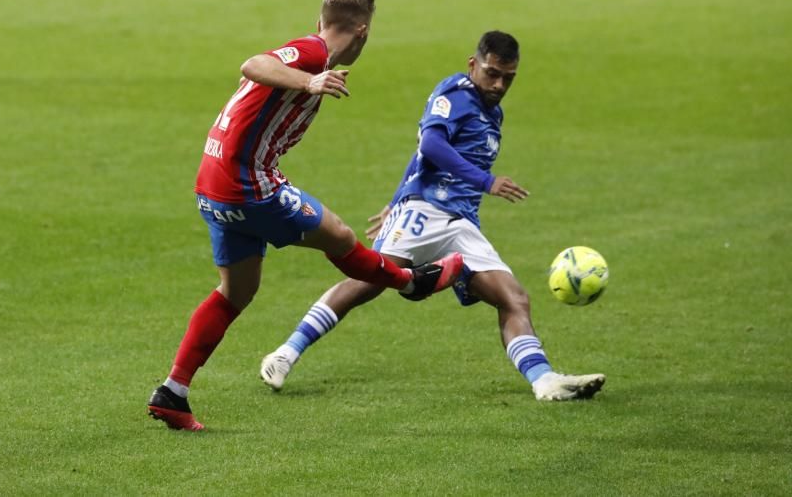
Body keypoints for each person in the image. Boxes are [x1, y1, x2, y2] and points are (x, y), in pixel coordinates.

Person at [148, 0, 464, 431]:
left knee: (236, 293)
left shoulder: (312, 52)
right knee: (338, 235)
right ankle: (410, 282)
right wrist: (309, 81)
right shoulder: (312, 54)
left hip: (214, 185)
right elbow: (252, 64)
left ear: (321, 19)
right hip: (246, 184)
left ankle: (172, 393)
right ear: (362, 31)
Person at [260, 31, 606, 402]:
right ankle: (285, 354)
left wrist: (395, 199)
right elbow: (431, 144)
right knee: (368, 279)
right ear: (473, 64)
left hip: (460, 222)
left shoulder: (493, 111)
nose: (499, 84)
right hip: (425, 210)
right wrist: (483, 182)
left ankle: (545, 382)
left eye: (508, 78)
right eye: (492, 73)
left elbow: (421, 156)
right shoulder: (456, 94)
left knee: (513, 298)